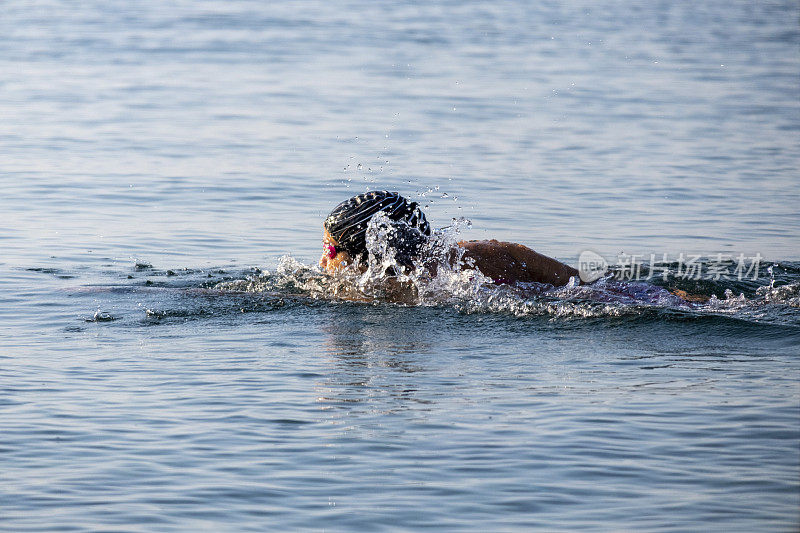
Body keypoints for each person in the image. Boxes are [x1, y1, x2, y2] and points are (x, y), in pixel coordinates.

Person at [319, 190, 579, 286]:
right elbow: (584, 280)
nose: (322, 261)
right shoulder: (499, 252)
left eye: (329, 250)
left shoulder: (395, 291)